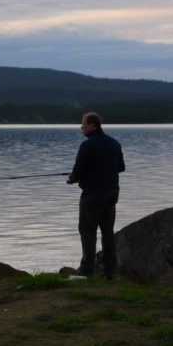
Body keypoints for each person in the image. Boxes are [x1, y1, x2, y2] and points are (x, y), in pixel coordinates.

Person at [68, 112, 125, 280]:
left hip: (93, 194)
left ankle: (86, 271)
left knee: (87, 231)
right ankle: (109, 271)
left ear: (93, 125)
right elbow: (121, 167)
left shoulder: (87, 146)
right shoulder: (114, 143)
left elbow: (77, 173)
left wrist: (72, 178)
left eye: (83, 124)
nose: (81, 128)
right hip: (112, 193)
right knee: (107, 231)